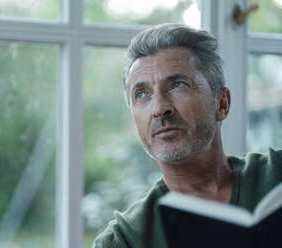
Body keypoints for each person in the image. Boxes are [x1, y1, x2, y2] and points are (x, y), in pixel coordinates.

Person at [92, 23, 282, 248]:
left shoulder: (276, 175)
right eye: (141, 94)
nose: (159, 109)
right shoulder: (123, 240)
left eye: (177, 85)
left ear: (222, 103)